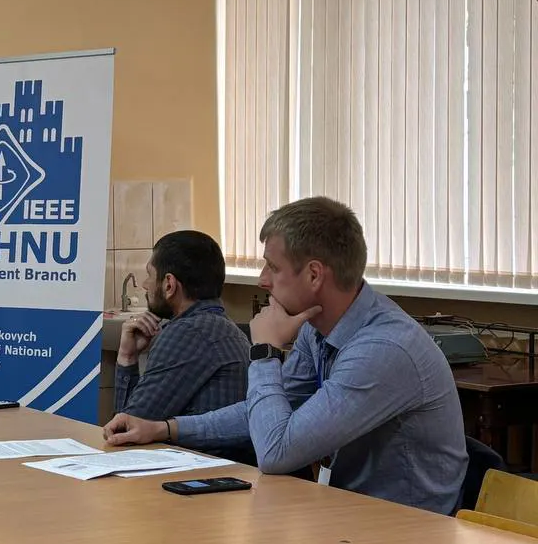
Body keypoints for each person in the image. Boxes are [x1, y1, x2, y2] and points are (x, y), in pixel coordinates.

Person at [104, 197, 468, 515]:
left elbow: (277, 451)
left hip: (408, 533)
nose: (262, 280)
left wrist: (264, 352)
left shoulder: (382, 350)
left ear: (314, 275)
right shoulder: (316, 328)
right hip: (348, 516)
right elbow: (267, 410)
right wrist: (165, 428)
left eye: (273, 268)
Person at [105, 231, 251, 461]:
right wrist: (130, 355)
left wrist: (124, 358)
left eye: (149, 275)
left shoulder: (188, 333)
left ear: (169, 284)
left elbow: (126, 429)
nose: (144, 284)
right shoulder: (223, 327)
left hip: (199, 473)